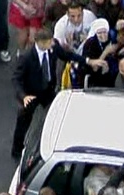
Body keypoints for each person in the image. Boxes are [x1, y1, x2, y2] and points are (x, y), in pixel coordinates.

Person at [10, 28, 106, 159]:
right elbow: (16, 78)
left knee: (53, 115)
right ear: (39, 42)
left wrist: (89, 61)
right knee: (23, 121)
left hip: (48, 90)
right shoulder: (26, 57)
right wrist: (23, 96)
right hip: (31, 93)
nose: (52, 44)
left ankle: (48, 144)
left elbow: (68, 56)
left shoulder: (53, 47)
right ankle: (17, 150)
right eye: (49, 42)